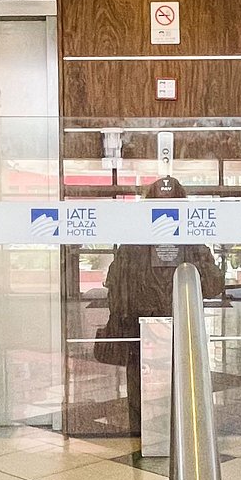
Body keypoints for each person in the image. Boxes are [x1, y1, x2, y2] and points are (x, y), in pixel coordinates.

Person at [97, 176, 225, 430]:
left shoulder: (133, 244)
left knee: (140, 381)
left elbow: (114, 287)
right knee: (185, 379)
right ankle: (185, 431)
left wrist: (124, 315)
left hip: (141, 330)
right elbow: (213, 285)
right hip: (180, 327)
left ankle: (140, 430)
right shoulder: (192, 244)